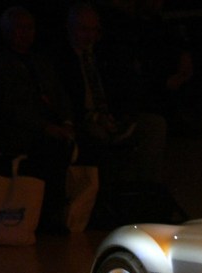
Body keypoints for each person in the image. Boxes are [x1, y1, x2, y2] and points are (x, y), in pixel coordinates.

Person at [0, 5, 76, 233]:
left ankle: (86, 211)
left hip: (48, 126)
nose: (25, 33)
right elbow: (10, 109)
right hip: (17, 131)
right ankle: (47, 216)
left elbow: (60, 95)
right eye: (19, 28)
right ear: (6, 32)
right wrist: (46, 127)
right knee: (50, 148)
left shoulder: (41, 62)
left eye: (29, 28)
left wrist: (66, 122)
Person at [55, 1, 166, 186]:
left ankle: (147, 187)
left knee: (155, 125)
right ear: (69, 28)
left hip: (113, 116)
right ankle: (107, 189)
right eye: (84, 30)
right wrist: (97, 117)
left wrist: (122, 114)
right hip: (84, 120)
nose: (90, 36)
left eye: (94, 30)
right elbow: (65, 101)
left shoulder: (106, 53)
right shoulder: (60, 60)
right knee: (96, 134)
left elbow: (123, 86)